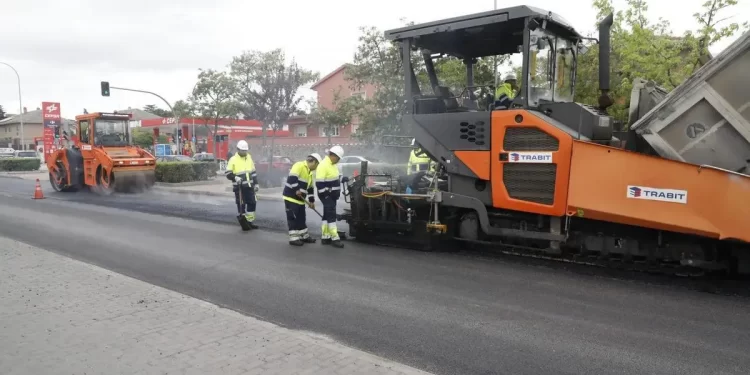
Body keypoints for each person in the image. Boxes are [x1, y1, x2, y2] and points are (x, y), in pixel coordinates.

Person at [283, 153, 322, 246]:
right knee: (293, 218)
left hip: (300, 200)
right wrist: (296, 189)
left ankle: (304, 236)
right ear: (314, 162)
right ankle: (294, 238)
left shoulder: (310, 173)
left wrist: (312, 202)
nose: (317, 167)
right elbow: (292, 178)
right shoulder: (299, 165)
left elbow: (310, 188)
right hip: (291, 198)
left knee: (301, 218)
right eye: (317, 165)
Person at [315, 145, 347, 248]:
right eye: (338, 158)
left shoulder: (332, 165)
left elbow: (334, 177)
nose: (338, 160)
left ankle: (325, 237)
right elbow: (319, 184)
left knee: (326, 216)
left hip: (332, 196)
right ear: (333, 156)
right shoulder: (323, 165)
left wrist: (342, 179)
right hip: (327, 196)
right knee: (331, 216)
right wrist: (327, 196)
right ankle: (335, 238)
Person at [224, 140, 259, 229]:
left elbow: (253, 172)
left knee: (252, 203)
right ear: (238, 149)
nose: (244, 152)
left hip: (249, 186)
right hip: (239, 187)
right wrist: (235, 177)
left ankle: (249, 221)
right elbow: (228, 173)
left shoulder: (249, 157)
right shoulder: (233, 159)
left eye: (245, 150)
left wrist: (256, 183)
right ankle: (244, 222)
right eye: (242, 150)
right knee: (241, 205)